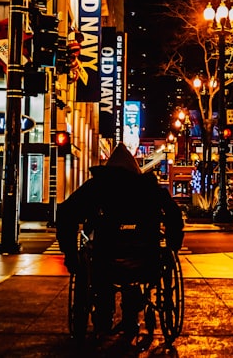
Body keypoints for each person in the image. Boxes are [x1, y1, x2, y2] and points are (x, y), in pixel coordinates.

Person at [56, 143, 184, 336]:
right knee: (139, 270)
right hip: (145, 256)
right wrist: (174, 245)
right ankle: (131, 310)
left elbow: (66, 212)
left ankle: (104, 314)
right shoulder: (149, 188)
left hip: (104, 254)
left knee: (97, 271)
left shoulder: (97, 187)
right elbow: (174, 214)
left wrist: (70, 253)